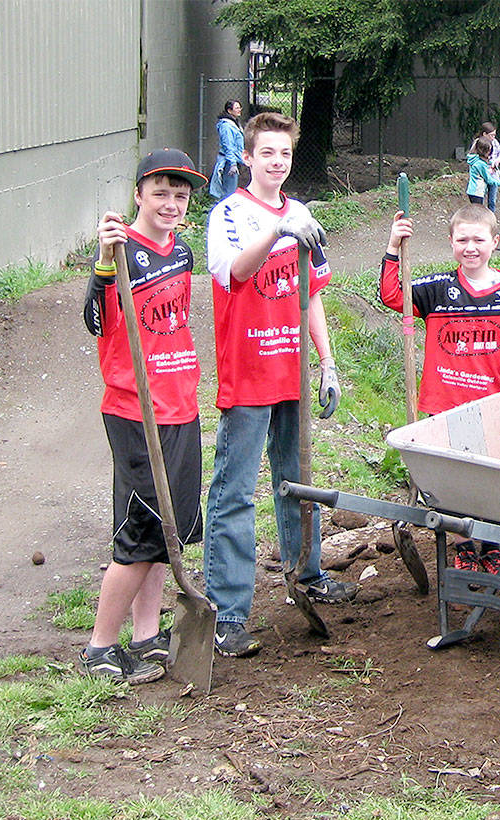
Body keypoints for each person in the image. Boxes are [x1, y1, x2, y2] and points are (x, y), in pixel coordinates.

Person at [204, 111, 357, 658]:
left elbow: (310, 292)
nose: (276, 162)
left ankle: (307, 574)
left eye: (285, 154)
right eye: (267, 153)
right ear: (247, 157)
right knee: (235, 492)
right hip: (248, 371)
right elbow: (236, 272)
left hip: (291, 369)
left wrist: (327, 362)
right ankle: (227, 614)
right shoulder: (227, 214)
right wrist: (275, 231)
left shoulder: (302, 213)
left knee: (297, 479)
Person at [78, 149, 208, 684]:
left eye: (180, 195)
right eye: (161, 193)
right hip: (136, 409)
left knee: (167, 529)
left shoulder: (182, 253)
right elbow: (93, 321)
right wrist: (105, 264)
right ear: (139, 195)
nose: (171, 203)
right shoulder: (121, 251)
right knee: (138, 530)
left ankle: (147, 632)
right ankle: (100, 646)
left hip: (181, 402)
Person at [381, 203, 500, 572]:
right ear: (451, 242)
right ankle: (463, 546)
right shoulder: (435, 289)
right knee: (452, 483)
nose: (470, 247)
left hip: (493, 407)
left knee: (493, 481)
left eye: (479, 239)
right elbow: (394, 296)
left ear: (494, 242)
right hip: (444, 405)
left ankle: (493, 545)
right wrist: (394, 248)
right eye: (462, 239)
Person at [209, 100, 245, 200]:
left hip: (234, 160)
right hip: (229, 162)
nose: (239, 110)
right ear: (229, 110)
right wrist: (232, 164)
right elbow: (228, 146)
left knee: (231, 191)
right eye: (237, 108)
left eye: (239, 107)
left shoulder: (234, 123)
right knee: (229, 193)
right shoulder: (226, 126)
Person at [475, 121, 500, 212]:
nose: (493, 138)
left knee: (492, 201)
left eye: (494, 135)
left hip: (493, 175)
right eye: (491, 135)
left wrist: (497, 161)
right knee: (479, 201)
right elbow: (474, 159)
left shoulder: (495, 142)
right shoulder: (478, 143)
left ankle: (491, 220)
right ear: (484, 134)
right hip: (482, 176)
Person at [465, 136, 500, 210]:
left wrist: (492, 163)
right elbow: (489, 180)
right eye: (489, 151)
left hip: (474, 191)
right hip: (476, 193)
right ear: (484, 151)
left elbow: (486, 163)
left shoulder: (475, 159)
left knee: (477, 211)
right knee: (478, 213)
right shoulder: (480, 164)